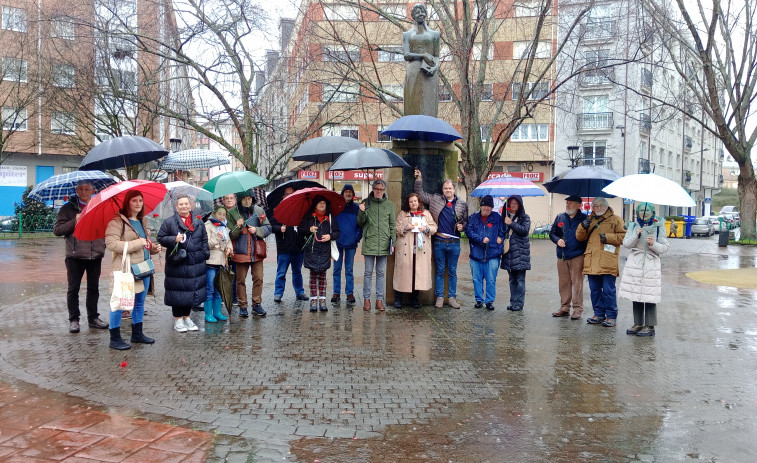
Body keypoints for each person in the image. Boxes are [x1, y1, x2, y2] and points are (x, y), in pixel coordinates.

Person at [104, 191, 163, 349]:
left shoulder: (141, 221)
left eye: (140, 200)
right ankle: (114, 338)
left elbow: (143, 244)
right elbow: (111, 244)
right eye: (134, 201)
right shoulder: (117, 222)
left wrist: (152, 249)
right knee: (120, 303)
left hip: (142, 268)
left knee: (139, 302)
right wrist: (138, 243)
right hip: (126, 269)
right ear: (127, 203)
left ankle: (137, 334)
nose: (138, 203)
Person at [53, 181, 109, 333]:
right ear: (76, 190)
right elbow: (57, 230)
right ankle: (74, 320)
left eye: (87, 189)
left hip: (95, 254)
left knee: (93, 288)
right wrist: (75, 220)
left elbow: (108, 226)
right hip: (74, 255)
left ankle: (93, 318)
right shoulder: (68, 208)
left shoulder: (100, 206)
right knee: (73, 289)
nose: (84, 192)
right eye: (81, 189)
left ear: (93, 190)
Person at [414, 168, 468, 309]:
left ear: (454, 189)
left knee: (452, 272)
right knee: (439, 271)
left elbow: (466, 221)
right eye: (445, 188)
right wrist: (419, 179)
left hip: (454, 242)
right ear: (442, 189)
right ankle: (439, 297)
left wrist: (463, 226)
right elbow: (419, 194)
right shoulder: (435, 199)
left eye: (450, 188)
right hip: (439, 242)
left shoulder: (462, 204)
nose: (448, 190)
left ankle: (451, 298)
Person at [157, 195, 209, 332]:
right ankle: (178, 319)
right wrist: (173, 239)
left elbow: (204, 239)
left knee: (190, 291)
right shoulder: (169, 222)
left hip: (195, 263)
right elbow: (160, 238)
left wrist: (205, 254)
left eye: (186, 204)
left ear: (190, 205)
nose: (184, 206)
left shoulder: (198, 222)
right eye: (181, 204)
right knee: (178, 292)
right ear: (176, 206)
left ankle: (187, 317)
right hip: (178, 263)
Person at [619, 202, 669, 337]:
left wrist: (654, 244)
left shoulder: (658, 227)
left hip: (651, 264)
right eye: (641, 211)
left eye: (647, 211)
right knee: (636, 294)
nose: (644, 213)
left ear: (652, 213)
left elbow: (664, 248)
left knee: (649, 295)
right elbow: (626, 244)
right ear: (638, 212)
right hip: (635, 263)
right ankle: (638, 323)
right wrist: (635, 234)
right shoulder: (634, 225)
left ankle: (650, 326)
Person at [575, 197, 626, 327]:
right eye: (595, 206)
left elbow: (624, 237)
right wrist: (582, 226)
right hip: (592, 261)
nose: (598, 208)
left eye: (600, 206)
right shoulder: (589, 220)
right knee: (595, 290)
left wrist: (608, 237)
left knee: (608, 290)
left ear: (606, 206)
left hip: (608, 260)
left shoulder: (616, 220)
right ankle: (598, 314)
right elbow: (579, 237)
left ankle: (611, 316)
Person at [229, 191, 271, 317]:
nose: (248, 201)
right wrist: (237, 227)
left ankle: (256, 304)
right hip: (240, 251)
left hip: (257, 251)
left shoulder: (258, 210)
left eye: (250, 199)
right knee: (240, 280)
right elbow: (231, 234)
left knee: (258, 278)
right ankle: (243, 305)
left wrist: (257, 230)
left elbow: (268, 227)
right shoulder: (232, 213)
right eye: (245, 199)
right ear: (239, 200)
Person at [357, 179, 396, 311]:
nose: (379, 191)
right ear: (373, 189)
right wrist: (362, 212)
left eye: (381, 189)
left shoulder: (389, 205)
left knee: (380, 273)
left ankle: (379, 300)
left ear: (384, 190)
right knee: (368, 272)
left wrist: (393, 242)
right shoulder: (365, 203)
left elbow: (392, 225)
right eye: (377, 189)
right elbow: (360, 223)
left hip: (384, 243)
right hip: (370, 242)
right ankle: (366, 299)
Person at [393, 192, 437, 308]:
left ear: (419, 202)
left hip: (420, 249)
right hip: (405, 249)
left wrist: (426, 228)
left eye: (415, 201)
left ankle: (414, 298)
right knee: (403, 273)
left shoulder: (425, 214)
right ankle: (398, 298)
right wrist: (405, 227)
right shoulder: (403, 214)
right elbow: (396, 228)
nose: (413, 203)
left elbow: (434, 227)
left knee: (417, 274)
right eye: (411, 201)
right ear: (408, 203)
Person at [549, 195, 588, 320]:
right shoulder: (560, 217)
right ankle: (564, 308)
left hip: (577, 255)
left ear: (578, 205)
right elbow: (552, 233)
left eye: (571, 203)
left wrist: (587, 226)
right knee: (564, 283)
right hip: (562, 255)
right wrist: (557, 240)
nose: (568, 205)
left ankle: (577, 309)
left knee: (577, 284)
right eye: (567, 203)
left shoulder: (584, 219)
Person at [299, 196, 340, 312]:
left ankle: (322, 300)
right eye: (319, 203)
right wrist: (309, 229)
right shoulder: (309, 216)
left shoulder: (331, 217)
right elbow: (301, 230)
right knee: (313, 276)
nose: (322, 205)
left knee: (322, 276)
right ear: (315, 205)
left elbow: (337, 232)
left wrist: (330, 236)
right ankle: (313, 300)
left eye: (324, 203)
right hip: (312, 251)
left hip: (324, 251)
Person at [269, 186, 309, 304]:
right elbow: (271, 226)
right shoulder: (277, 210)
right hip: (284, 248)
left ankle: (300, 292)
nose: (289, 195)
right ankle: (278, 293)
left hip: (298, 247)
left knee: (297, 272)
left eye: (292, 193)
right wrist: (279, 228)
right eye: (287, 194)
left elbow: (305, 226)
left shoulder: (300, 209)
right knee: (281, 272)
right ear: (283, 196)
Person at [465, 195, 504, 310]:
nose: (486, 208)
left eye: (489, 206)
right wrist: (481, 238)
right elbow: (469, 231)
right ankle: (478, 300)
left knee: (491, 279)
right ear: (481, 206)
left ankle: (489, 301)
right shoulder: (473, 217)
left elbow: (503, 231)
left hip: (492, 254)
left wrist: (500, 238)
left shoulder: (497, 217)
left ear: (492, 208)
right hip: (476, 254)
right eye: (484, 206)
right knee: (477, 279)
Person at [403, 3, 441, 117]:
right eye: (417, 12)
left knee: (429, 105)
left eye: (422, 11)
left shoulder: (435, 34)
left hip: (429, 72)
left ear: (426, 14)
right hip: (413, 71)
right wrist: (423, 55)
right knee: (413, 104)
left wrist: (435, 67)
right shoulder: (407, 34)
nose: (420, 14)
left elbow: (437, 56)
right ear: (413, 16)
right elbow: (406, 55)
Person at [500, 195, 532, 312]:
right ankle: (513, 302)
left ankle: (519, 303)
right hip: (509, 253)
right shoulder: (504, 217)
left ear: (519, 205)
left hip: (520, 254)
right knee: (512, 279)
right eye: (511, 203)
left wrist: (511, 223)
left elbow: (524, 231)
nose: (513, 205)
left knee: (520, 280)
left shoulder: (525, 217)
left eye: (515, 203)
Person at [332, 184, 362, 305]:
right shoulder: (336, 207)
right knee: (336, 269)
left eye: (350, 192)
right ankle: (336, 292)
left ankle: (349, 293)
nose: (348, 194)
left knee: (349, 269)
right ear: (342, 193)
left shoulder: (356, 208)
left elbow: (360, 225)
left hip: (351, 243)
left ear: (353, 194)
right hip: (338, 242)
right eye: (346, 192)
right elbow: (332, 223)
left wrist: (356, 238)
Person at [204, 206, 233, 323]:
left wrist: (229, 249)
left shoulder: (224, 227)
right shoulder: (207, 226)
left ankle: (217, 312)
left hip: (221, 263)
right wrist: (217, 238)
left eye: (224, 214)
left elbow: (229, 242)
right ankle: (208, 314)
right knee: (210, 288)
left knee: (219, 288)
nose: (222, 216)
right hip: (210, 262)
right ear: (214, 214)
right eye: (219, 214)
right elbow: (206, 244)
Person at [222, 193, 241, 304]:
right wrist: (237, 227)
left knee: (235, 273)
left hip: (237, 248)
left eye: (231, 198)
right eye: (227, 198)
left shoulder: (239, 213)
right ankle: (224, 296)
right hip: (224, 249)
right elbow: (231, 234)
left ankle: (234, 297)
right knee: (226, 272)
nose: (229, 200)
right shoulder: (220, 213)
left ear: (235, 199)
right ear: (223, 200)